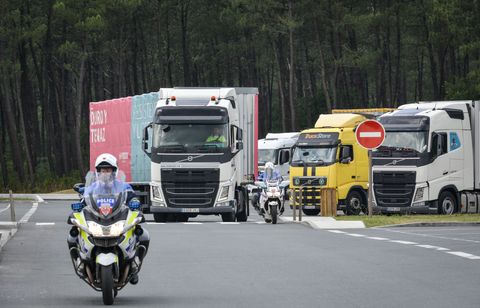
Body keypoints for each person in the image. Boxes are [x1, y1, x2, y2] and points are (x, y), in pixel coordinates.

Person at [67, 153, 150, 285]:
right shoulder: (92, 188)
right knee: (72, 236)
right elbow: (84, 201)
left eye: (108, 170)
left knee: (144, 235)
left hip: (117, 218)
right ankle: (80, 263)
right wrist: (78, 208)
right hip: (98, 219)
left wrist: (135, 202)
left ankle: (135, 266)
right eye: (102, 170)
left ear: (114, 171)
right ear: (98, 172)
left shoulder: (123, 186)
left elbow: (132, 197)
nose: (105, 173)